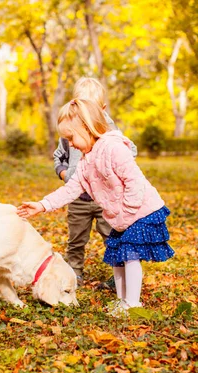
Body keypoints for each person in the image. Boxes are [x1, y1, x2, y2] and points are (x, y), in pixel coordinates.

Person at [17, 98, 174, 317]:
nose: (70, 144)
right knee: (118, 257)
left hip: (140, 212)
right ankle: (122, 301)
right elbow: (70, 189)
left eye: (71, 138)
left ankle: (133, 303)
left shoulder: (113, 149)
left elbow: (135, 182)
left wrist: (126, 214)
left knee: (130, 256)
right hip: (122, 217)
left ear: (87, 126)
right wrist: (42, 205)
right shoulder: (85, 160)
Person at [53, 77, 137, 286]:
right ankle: (74, 272)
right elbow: (59, 157)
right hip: (78, 197)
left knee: (112, 235)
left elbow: (130, 149)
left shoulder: (108, 129)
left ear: (102, 109)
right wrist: (65, 174)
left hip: (105, 198)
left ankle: (118, 276)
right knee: (76, 237)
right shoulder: (69, 131)